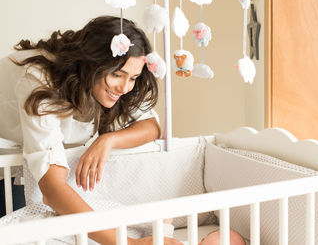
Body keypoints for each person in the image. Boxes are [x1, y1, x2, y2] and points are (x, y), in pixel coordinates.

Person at [0, 16, 182, 245]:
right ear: (91, 63)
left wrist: (108, 140)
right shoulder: (40, 80)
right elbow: (52, 188)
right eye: (117, 74)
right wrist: (125, 243)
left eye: (133, 78)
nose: (125, 87)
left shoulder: (114, 85)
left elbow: (152, 127)